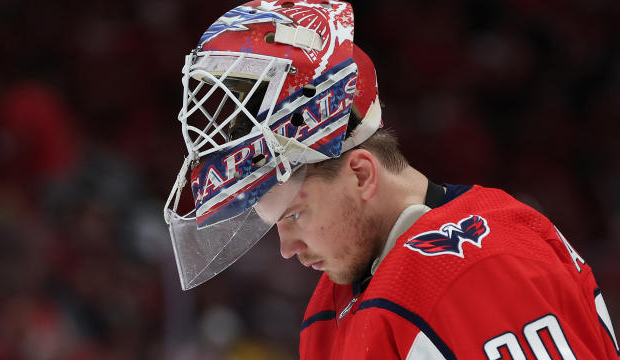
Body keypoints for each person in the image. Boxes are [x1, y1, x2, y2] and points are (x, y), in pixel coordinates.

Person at [163, 0, 620, 358]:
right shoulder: (332, 306)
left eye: (295, 214)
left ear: (361, 173)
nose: (286, 249)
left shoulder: (478, 271)